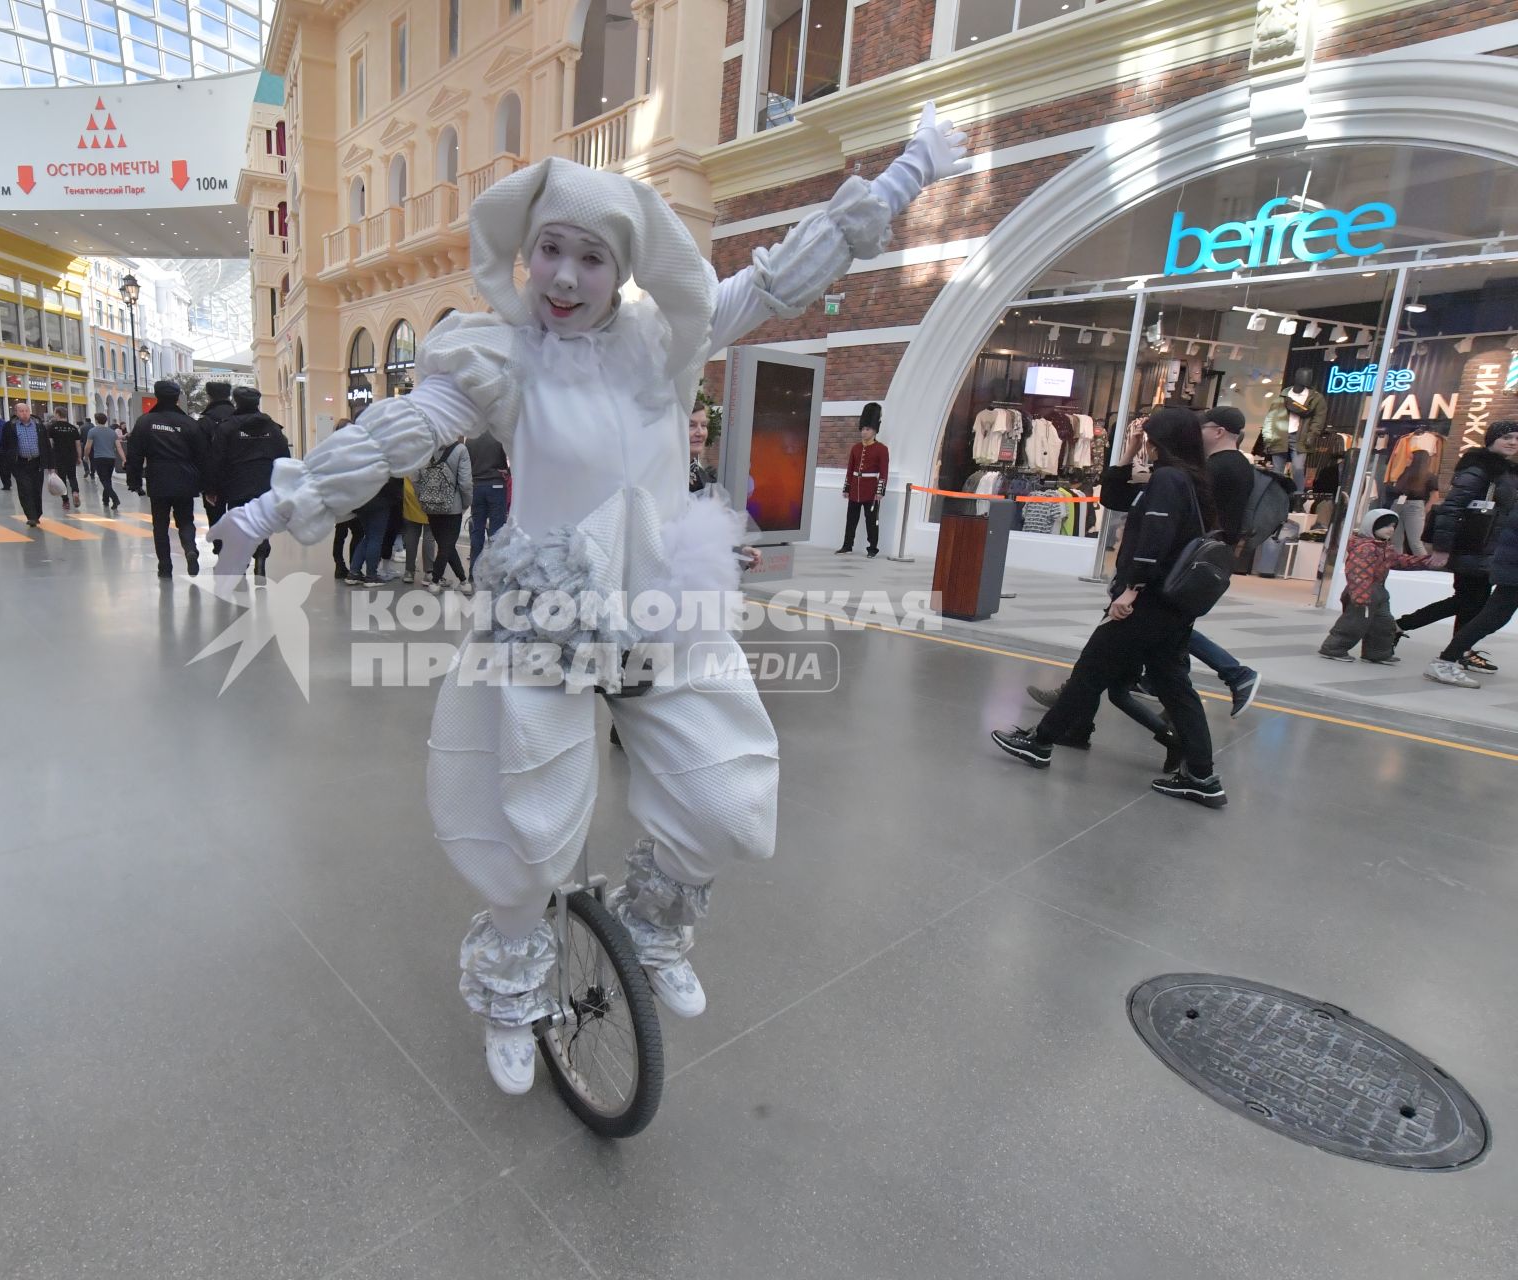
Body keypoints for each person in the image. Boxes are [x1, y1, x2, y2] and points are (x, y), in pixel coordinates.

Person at [207, 107, 970, 1093]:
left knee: (725, 791)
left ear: (625, 268)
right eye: (549, 253)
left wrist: (907, 174)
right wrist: (271, 506)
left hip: (662, 601)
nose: (564, 278)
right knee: (526, 824)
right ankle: (514, 991)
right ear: (526, 258)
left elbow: (782, 279)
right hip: (546, 614)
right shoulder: (500, 358)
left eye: (591, 258)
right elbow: (397, 432)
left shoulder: (667, 341)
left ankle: (651, 924)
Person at [992, 407, 1227, 809]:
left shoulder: (1169, 479)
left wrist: (1131, 590)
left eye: (1147, 437)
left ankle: (1041, 741)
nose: (1144, 443)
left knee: (1090, 670)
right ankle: (1202, 777)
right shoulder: (1188, 479)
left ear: (1163, 439)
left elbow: (1154, 542)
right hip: (1172, 605)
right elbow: (1114, 497)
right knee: (1174, 685)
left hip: (1149, 601)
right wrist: (1126, 454)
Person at [1398, 419, 1518, 676]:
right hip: (1471, 545)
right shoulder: (1479, 468)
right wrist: (1441, 548)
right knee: (1471, 601)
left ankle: (1456, 650)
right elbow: (1452, 508)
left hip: (1488, 548)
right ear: (1491, 440)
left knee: (1470, 602)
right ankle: (1404, 628)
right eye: (1506, 437)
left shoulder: (1506, 471)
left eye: (1516, 439)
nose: (1513, 443)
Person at [1187, 406, 1261, 715]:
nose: (1197, 434)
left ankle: (1236, 672)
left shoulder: (1219, 467)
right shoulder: (1240, 465)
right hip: (1216, 556)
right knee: (1169, 625)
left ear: (1218, 432)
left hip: (1200, 557)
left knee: (1170, 624)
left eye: (1202, 428)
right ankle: (1153, 678)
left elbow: (1197, 511)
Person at [201, 384, 291, 575]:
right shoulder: (273, 428)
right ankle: (261, 553)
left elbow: (216, 460)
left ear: (237, 402)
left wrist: (211, 488)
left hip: (236, 485)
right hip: (264, 485)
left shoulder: (226, 428)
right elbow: (284, 457)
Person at [1320, 509, 1430, 664]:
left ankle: (1378, 653)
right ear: (1371, 526)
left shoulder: (1383, 547)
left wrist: (1426, 562)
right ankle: (1333, 648)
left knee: (1383, 624)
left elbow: (1399, 560)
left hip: (1378, 592)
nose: (1391, 529)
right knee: (1353, 624)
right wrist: (1361, 596)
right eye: (1386, 526)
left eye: (1393, 526)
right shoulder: (1365, 548)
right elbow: (1358, 573)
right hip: (1363, 593)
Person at [124, 380, 207, 578]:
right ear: (177, 398)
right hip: (185, 478)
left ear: (156, 396)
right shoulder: (189, 423)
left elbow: (135, 455)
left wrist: (133, 480)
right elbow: (202, 454)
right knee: (186, 520)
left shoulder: (145, 422)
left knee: (160, 525)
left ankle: (165, 565)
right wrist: (204, 483)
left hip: (158, 478)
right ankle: (190, 549)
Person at [418, 436, 473, 592]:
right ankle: (435, 581)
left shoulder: (425, 448)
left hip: (430, 506)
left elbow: (416, 478)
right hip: (452, 507)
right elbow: (465, 483)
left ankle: (463, 581)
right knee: (447, 545)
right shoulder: (461, 450)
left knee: (445, 545)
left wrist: (423, 498)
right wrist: (466, 503)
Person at [837, 403, 888, 556]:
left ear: (874, 430)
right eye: (863, 429)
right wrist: (847, 488)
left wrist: (880, 491)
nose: (864, 432)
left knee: (871, 521)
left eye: (867, 429)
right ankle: (847, 545)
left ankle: (872, 548)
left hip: (870, 490)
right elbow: (850, 469)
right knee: (851, 520)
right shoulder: (855, 448)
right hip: (854, 489)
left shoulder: (882, 449)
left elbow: (884, 472)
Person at [0, 399, 48, 527]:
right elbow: (4, 444)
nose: (24, 413)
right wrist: (8, 460)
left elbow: (46, 444)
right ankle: (30, 516)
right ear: (16, 413)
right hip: (19, 463)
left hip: (36, 462)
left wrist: (50, 465)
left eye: (26, 411)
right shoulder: (10, 426)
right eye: (21, 411)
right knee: (25, 488)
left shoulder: (38, 425)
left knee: (36, 489)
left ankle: (37, 513)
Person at [465, 428, 510, 566]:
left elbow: (467, 462)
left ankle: (473, 570)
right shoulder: (500, 435)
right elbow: (513, 457)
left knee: (477, 529)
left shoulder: (471, 438)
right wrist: (508, 471)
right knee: (496, 531)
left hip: (477, 485)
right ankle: (493, 571)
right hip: (496, 484)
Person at [84, 412, 124, 512]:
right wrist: (124, 459)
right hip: (111, 459)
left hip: (99, 458)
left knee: (104, 480)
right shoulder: (112, 432)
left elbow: (88, 446)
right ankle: (105, 500)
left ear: (96, 420)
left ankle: (115, 499)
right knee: (108, 479)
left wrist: (86, 457)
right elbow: (119, 447)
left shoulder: (92, 431)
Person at [47, 409, 85, 511]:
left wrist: (50, 458)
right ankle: (75, 492)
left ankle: (65, 501)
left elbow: (50, 444)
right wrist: (79, 457)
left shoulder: (53, 427)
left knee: (62, 478)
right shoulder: (73, 428)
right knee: (72, 476)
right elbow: (78, 445)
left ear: (57, 414)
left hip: (58, 456)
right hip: (71, 456)